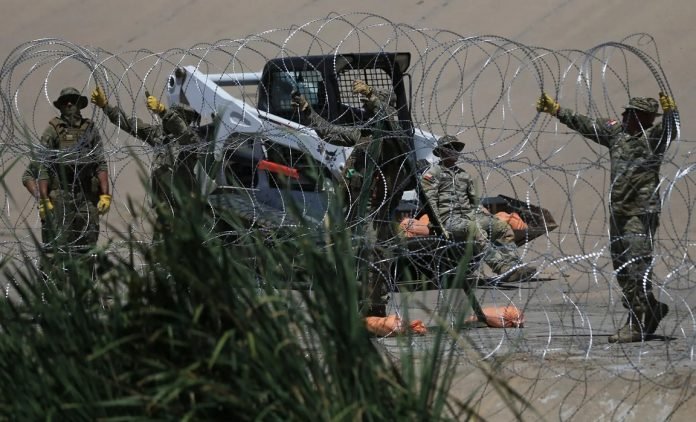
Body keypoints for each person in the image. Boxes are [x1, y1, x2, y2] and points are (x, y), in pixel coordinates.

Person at [536, 92, 678, 343]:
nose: (624, 115)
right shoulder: (616, 134)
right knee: (622, 268)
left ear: (644, 118)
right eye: (626, 111)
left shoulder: (653, 138)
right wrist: (556, 110)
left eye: (631, 113)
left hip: (640, 213)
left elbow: (671, 131)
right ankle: (651, 309)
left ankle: (637, 323)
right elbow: (586, 124)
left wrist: (670, 113)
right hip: (618, 213)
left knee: (636, 268)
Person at [291, 80, 412, 317]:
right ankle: (354, 305)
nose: (367, 111)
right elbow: (330, 132)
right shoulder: (365, 135)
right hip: (354, 207)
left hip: (376, 208)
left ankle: (374, 307)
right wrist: (307, 110)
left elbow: (388, 122)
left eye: (372, 107)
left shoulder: (395, 137)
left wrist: (372, 96)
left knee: (373, 253)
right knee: (351, 254)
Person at [421, 135, 537, 283]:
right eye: (450, 148)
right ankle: (502, 268)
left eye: (456, 148)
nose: (454, 151)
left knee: (501, 227)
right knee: (475, 230)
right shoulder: (433, 174)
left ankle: (515, 266)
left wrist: (487, 215)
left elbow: (474, 201)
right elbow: (429, 202)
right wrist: (439, 226)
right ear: (441, 152)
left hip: (469, 216)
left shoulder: (463, 175)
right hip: (448, 220)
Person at [91, 86, 203, 236]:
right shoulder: (159, 135)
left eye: (176, 117)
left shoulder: (192, 141)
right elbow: (129, 124)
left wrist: (163, 112)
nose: (167, 120)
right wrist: (106, 106)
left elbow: (184, 133)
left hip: (186, 208)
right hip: (164, 208)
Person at [27, 87, 111, 270]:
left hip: (86, 198)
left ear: (80, 104)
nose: (70, 104)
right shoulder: (53, 131)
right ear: (60, 106)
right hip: (61, 199)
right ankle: (53, 287)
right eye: (65, 102)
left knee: (87, 251)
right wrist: (43, 200)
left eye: (73, 100)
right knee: (56, 253)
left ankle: (85, 286)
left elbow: (100, 163)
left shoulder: (90, 130)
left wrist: (105, 195)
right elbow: (40, 168)